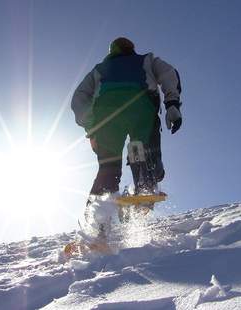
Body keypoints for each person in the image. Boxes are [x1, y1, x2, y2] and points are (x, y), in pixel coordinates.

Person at [71, 37, 182, 231]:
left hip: (106, 115)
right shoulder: (147, 60)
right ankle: (145, 179)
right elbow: (169, 73)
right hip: (141, 107)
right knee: (148, 150)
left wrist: (92, 125)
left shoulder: (99, 69)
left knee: (108, 170)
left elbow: (79, 97)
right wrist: (172, 103)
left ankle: (96, 223)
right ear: (131, 49)